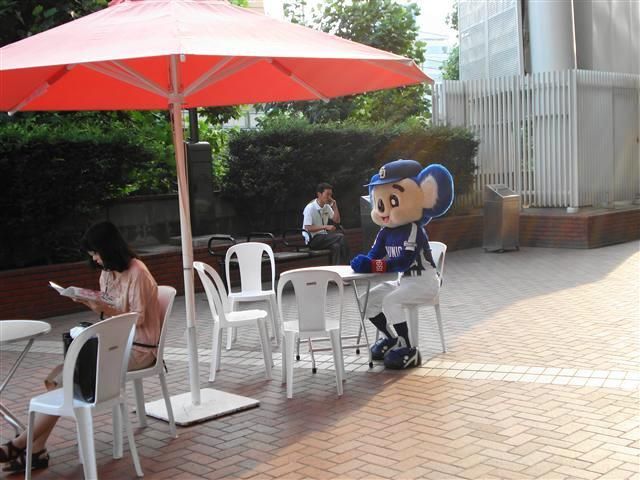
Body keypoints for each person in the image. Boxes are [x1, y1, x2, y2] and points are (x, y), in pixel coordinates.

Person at [0, 221, 162, 473]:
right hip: (113, 345)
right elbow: (109, 310)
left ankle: (23, 443)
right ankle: (36, 449)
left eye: (96, 253)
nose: (95, 259)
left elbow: (137, 319)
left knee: (70, 376)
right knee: (62, 375)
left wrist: (103, 309)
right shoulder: (107, 273)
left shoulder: (137, 272)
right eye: (92, 254)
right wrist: (92, 303)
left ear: (109, 248)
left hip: (139, 348)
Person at [351, 160, 453, 369]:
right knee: (365, 301)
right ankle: (391, 339)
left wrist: (374, 266)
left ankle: (409, 348)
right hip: (403, 283)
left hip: (425, 283)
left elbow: (402, 262)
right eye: (379, 203)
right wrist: (364, 263)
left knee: (391, 301)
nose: (384, 210)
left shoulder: (414, 229)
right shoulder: (385, 231)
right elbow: (374, 255)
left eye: (393, 201)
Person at [302, 182, 351, 265]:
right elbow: (308, 228)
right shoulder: (310, 208)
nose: (329, 197)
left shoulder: (326, 207)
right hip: (313, 240)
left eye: (331, 195)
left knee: (336, 246)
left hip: (324, 238)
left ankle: (336, 269)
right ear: (319, 194)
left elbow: (337, 220)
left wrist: (335, 206)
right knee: (340, 236)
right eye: (327, 194)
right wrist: (325, 227)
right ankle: (349, 264)